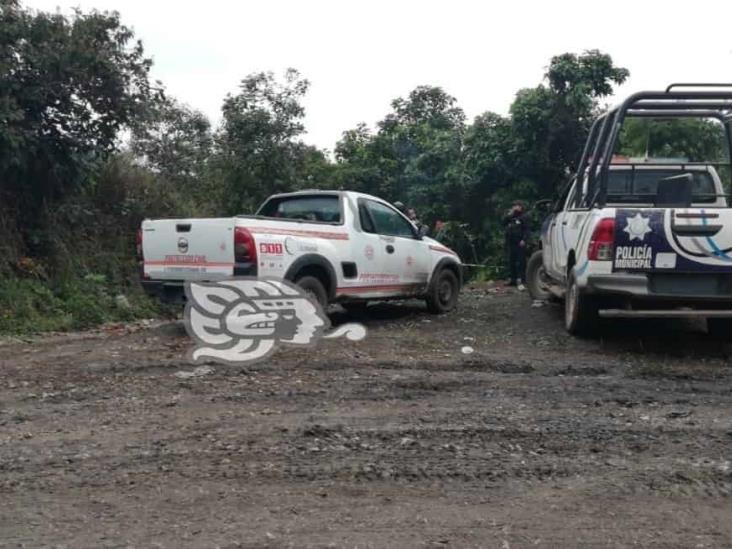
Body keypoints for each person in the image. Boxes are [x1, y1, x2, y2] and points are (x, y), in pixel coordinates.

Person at [503, 201, 529, 290]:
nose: (515, 207)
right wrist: (509, 214)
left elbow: (526, 230)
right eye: (514, 206)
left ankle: (521, 279)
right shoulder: (511, 217)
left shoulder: (523, 217)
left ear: (521, 207)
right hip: (511, 242)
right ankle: (512, 279)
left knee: (520, 262)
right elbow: (503, 222)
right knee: (511, 261)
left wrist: (524, 240)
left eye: (517, 206)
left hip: (520, 242)